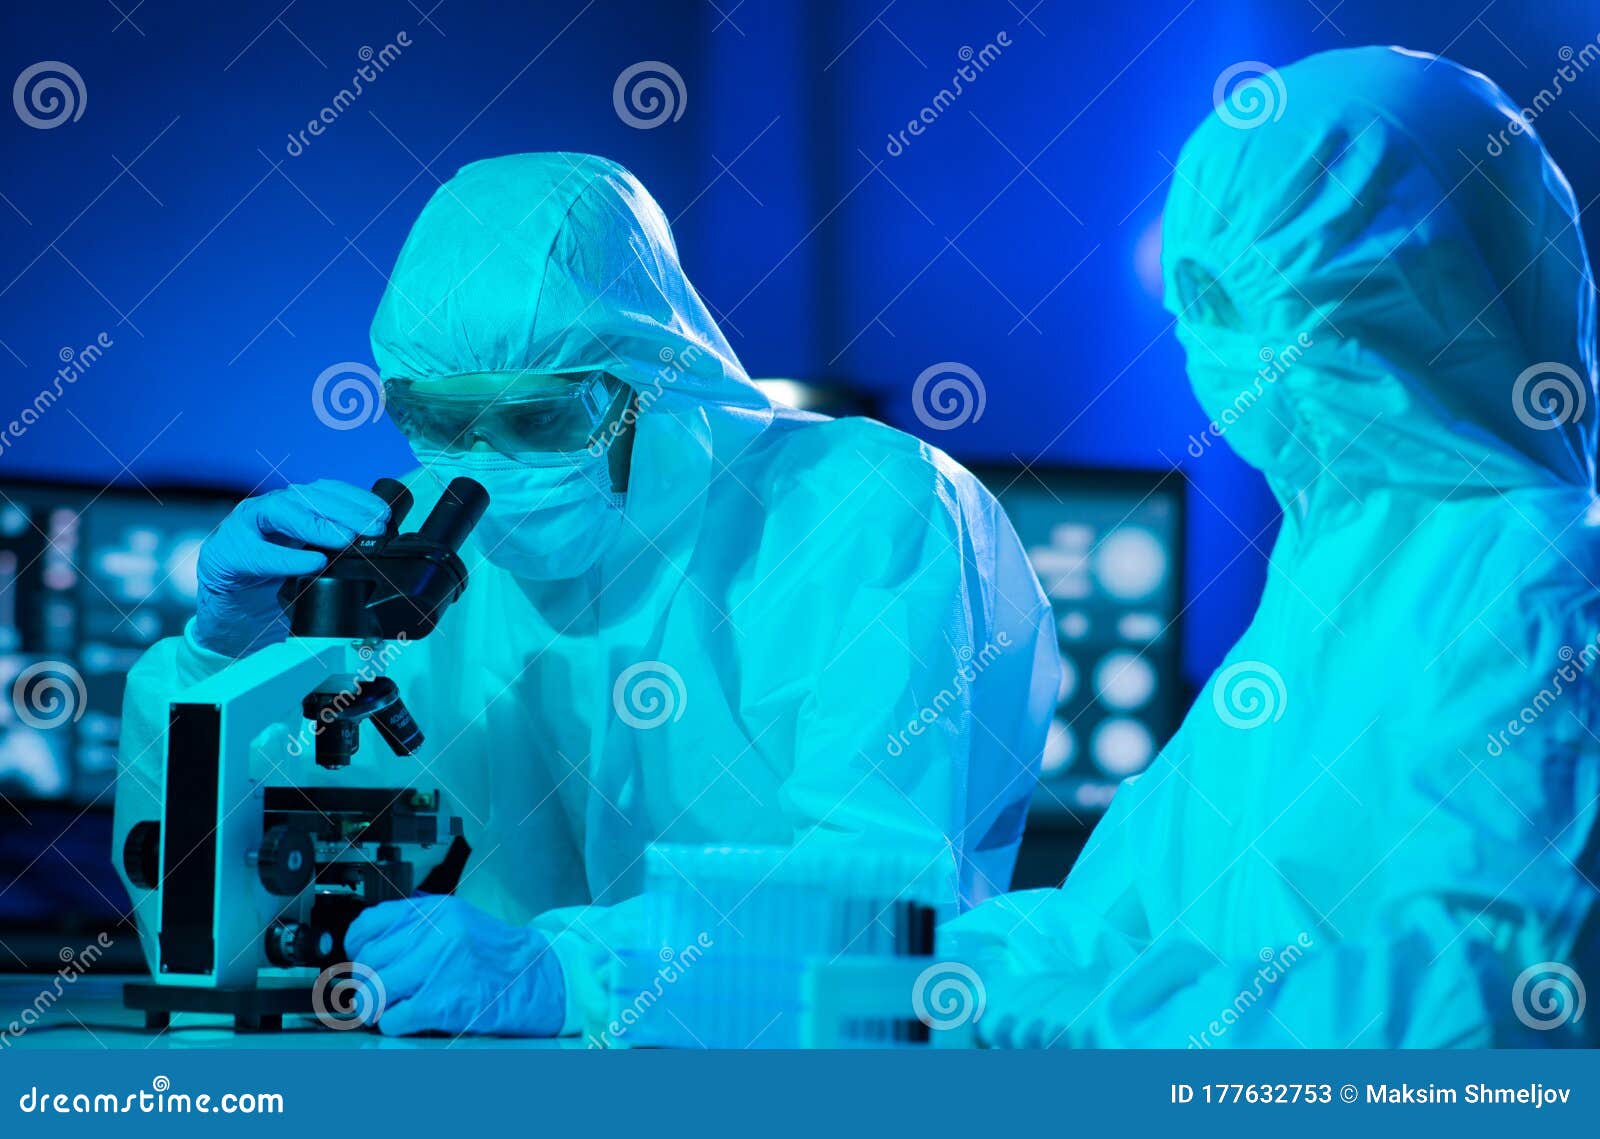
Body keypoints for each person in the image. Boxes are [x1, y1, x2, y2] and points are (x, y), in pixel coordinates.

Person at [113, 152, 1060, 1038]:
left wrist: (567, 974)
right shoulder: (451, 556)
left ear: (650, 380)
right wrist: (227, 660)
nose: (483, 464)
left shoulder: (864, 512)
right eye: (440, 420)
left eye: (534, 417)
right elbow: (232, 931)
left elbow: (886, 914)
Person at [948, 47, 1600, 1047]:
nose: (1212, 354)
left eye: (1243, 305)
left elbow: (1481, 1013)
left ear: (1403, 297)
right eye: (1197, 309)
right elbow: (1119, 913)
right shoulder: (1322, 583)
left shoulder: (1540, 586)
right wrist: (911, 970)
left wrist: (1077, 1019)